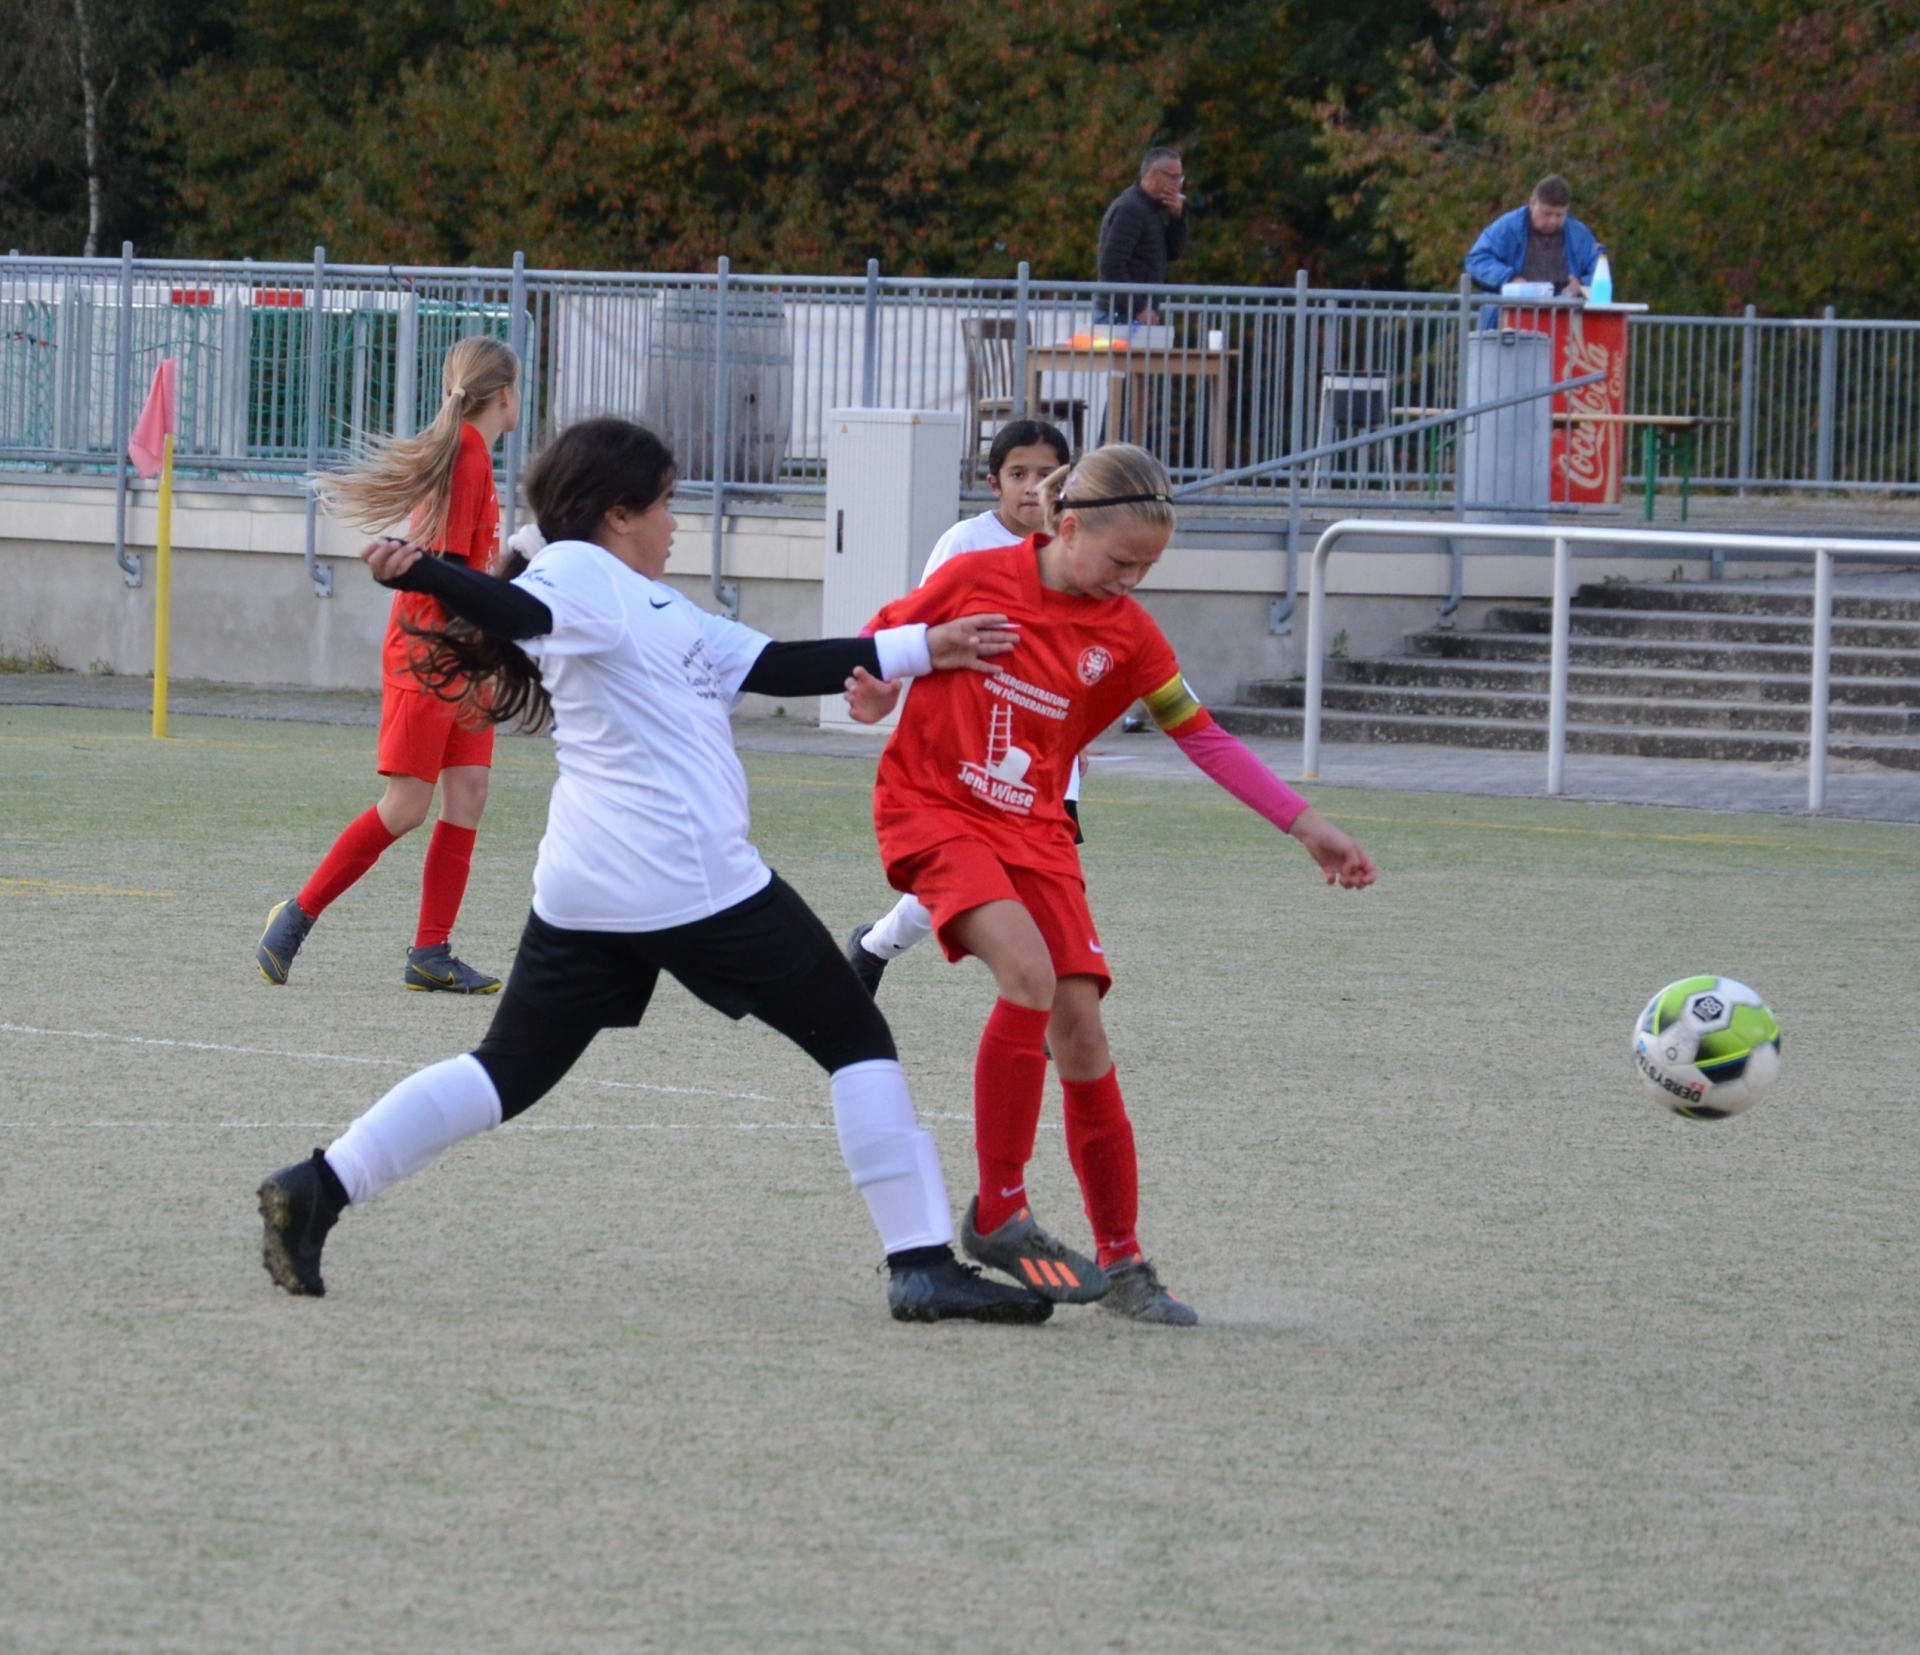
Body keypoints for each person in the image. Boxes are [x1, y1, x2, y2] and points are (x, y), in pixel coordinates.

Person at [255, 417, 1052, 1326]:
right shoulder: (580, 571)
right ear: (618, 512)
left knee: (504, 1072)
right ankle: (920, 1263)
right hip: (691, 878)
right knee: (856, 1038)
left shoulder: (657, 605)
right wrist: (427, 573)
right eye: (668, 502)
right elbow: (523, 612)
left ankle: (318, 1186)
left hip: (588, 888)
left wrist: (925, 646)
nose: (677, 522)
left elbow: (778, 663)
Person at [846, 444, 1378, 1325]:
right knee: (1028, 972)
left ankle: (1124, 1263)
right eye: (1121, 560)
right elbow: (880, 649)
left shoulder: (1128, 634)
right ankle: (999, 1209)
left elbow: (1201, 735)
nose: (1131, 581)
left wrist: (1306, 825)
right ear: (1067, 526)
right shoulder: (976, 578)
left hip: (1037, 830)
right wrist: (876, 693)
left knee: (1082, 1032)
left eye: (1147, 569)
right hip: (936, 808)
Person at [255, 335, 520, 994]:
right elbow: (448, 577)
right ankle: (296, 915)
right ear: (505, 396)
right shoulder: (465, 457)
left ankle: (431, 951)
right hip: (432, 654)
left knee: (469, 793)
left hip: (465, 652)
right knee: (405, 807)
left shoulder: (473, 454)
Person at [844, 418, 1075, 993]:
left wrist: (1079, 730)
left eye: (1046, 474)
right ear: (993, 483)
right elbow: (920, 625)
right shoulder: (966, 544)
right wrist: (886, 684)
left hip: (1046, 749)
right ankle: (876, 947)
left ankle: (1044, 996)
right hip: (972, 739)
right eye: (1018, 474)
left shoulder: (1077, 548)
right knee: (971, 873)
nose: (1032, 487)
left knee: (1040, 877)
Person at [1465, 173, 1599, 300]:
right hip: (1509, 312)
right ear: (1532, 204)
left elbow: (1599, 272)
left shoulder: (1580, 235)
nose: (1553, 221)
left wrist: (1580, 284)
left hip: (1564, 313)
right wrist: (1510, 278)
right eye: (1547, 213)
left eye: (1559, 215)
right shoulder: (1508, 227)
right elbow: (1476, 260)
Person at [1097, 147, 1187, 326]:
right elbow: (1111, 265)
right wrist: (1138, 308)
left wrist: (1177, 217)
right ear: (1154, 175)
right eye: (1174, 177)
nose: (1179, 184)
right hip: (1120, 316)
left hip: (1128, 315)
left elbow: (1172, 252)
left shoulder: (1151, 210)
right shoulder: (1131, 209)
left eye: (1180, 178)